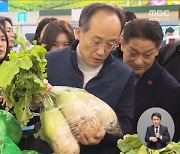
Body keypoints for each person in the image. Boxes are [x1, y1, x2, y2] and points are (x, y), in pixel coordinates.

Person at [31, 3, 135, 154]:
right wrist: (33, 105)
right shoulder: (47, 63)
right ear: (79, 32)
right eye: (96, 42)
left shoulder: (124, 75)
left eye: (110, 45)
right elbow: (25, 119)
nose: (101, 51)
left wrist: (104, 136)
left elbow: (125, 127)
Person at [120, 19, 180, 142]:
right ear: (122, 45)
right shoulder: (106, 70)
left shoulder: (168, 89)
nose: (138, 61)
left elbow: (165, 140)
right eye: (133, 53)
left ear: (157, 50)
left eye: (147, 55)